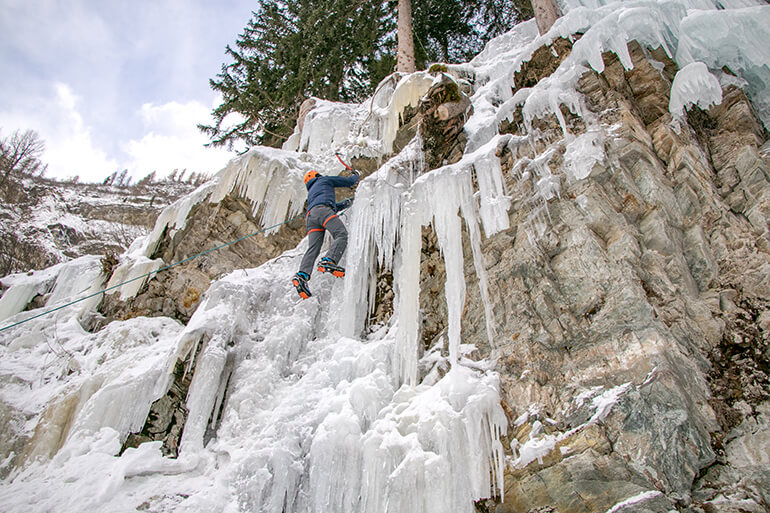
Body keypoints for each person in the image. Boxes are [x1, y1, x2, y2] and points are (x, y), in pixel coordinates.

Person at [292, 168, 359, 299]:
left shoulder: (312, 191)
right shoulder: (324, 179)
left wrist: (347, 203)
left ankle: (302, 275)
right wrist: (355, 175)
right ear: (317, 175)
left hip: (311, 218)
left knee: (313, 248)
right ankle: (329, 260)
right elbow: (349, 182)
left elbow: (332, 205)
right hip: (323, 211)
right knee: (341, 234)